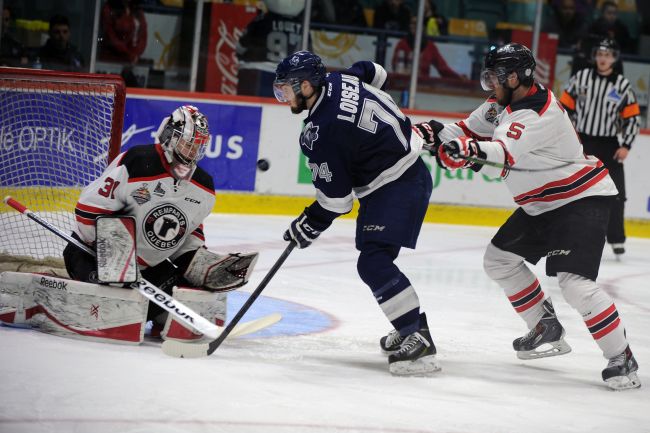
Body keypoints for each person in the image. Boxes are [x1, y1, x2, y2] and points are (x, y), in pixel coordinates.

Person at [413, 43, 640, 390]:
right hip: (542, 204)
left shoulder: (537, 112)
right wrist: (432, 132)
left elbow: (502, 153)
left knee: (574, 283)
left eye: (494, 77)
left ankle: (621, 357)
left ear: (515, 77)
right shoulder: (500, 104)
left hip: (580, 198)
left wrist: (469, 151)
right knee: (498, 260)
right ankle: (544, 324)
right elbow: (466, 131)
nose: (489, 84)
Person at [273, 51, 437, 375]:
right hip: (404, 176)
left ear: (306, 86)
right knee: (376, 259)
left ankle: (417, 339)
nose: (284, 97)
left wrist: (309, 222)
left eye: (287, 89)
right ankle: (413, 325)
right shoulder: (342, 78)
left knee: (373, 262)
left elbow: (337, 201)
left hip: (396, 184)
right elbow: (376, 72)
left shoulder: (321, 132)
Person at [62, 105, 257, 341]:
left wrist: (204, 268)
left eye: (198, 146)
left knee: (183, 291)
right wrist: (115, 258)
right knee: (115, 299)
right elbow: (88, 210)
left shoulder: (204, 188)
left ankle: (154, 314)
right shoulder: (137, 161)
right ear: (169, 136)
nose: (192, 151)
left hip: (143, 273)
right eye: (188, 143)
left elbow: (188, 241)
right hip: (90, 256)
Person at [559, 38, 640, 257]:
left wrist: (627, 145)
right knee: (573, 190)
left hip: (609, 144)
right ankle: (569, 233)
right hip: (583, 142)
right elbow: (563, 110)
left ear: (614, 58)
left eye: (608, 55)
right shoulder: (581, 78)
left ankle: (616, 239)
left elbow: (632, 118)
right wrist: (568, 138)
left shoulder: (622, 85)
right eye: (600, 54)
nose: (603, 59)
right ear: (595, 56)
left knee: (617, 194)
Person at [236, 0, 306, 97]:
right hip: (285, 79)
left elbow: (240, 47)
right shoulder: (303, 27)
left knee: (246, 108)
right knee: (276, 110)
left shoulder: (261, 20)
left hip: (255, 72)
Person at [391, 16, 464, 80]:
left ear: (423, 26)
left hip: (423, 86)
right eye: (411, 23)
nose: (412, 26)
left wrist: (458, 77)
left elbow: (443, 69)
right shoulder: (401, 44)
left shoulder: (430, 47)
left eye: (416, 23)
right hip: (403, 84)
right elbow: (395, 65)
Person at [100, 0, 147, 64]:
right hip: (112, 60)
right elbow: (110, 36)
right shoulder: (109, 9)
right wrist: (129, 54)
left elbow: (143, 35)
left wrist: (136, 53)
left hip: (133, 61)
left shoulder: (137, 10)